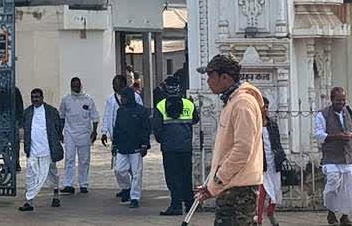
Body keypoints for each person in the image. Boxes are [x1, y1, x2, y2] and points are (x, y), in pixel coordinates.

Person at [193, 54, 264, 226]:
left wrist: (219, 179)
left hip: (239, 188)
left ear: (225, 77)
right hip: (230, 185)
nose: (208, 81)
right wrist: (212, 183)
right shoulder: (232, 102)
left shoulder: (242, 103)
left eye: (211, 76)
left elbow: (242, 150)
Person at [316, 87, 352, 226]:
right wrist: (337, 136)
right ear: (332, 100)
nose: (341, 103)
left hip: (347, 156)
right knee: (332, 184)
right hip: (331, 156)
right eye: (338, 101)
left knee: (349, 188)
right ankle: (330, 212)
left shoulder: (350, 112)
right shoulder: (323, 115)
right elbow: (319, 135)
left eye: (343, 100)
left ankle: (345, 216)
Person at [152, 76, 199, 216]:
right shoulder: (189, 104)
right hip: (185, 148)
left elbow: (156, 128)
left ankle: (176, 205)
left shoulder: (160, 106)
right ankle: (189, 204)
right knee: (186, 176)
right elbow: (195, 120)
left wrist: (163, 141)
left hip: (169, 149)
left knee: (172, 177)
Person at [19, 88, 64, 211]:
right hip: (33, 149)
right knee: (30, 175)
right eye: (33, 97)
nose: (35, 99)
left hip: (47, 150)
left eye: (37, 97)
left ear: (42, 98)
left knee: (52, 173)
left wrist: (57, 140)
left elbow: (58, 126)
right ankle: (29, 202)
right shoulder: (27, 112)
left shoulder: (51, 111)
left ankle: (56, 196)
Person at [101, 74, 143, 200]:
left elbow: (141, 116)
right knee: (119, 169)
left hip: (133, 138)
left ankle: (134, 193)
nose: (114, 87)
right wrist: (104, 132)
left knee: (134, 169)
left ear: (124, 85)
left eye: (117, 84)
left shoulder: (135, 97)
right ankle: (126, 187)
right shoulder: (110, 99)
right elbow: (107, 115)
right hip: (117, 138)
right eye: (113, 84)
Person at [112, 87, 152, 208]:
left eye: (123, 97)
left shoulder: (141, 111)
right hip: (122, 146)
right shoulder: (120, 111)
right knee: (119, 170)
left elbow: (146, 129)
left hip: (136, 147)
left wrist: (145, 145)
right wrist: (114, 144)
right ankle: (126, 187)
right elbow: (117, 129)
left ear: (129, 97)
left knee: (136, 173)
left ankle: (135, 197)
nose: (121, 99)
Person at [58, 77, 99, 195]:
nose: (75, 88)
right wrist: (60, 132)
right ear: (71, 86)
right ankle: (68, 184)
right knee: (69, 159)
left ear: (81, 85)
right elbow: (61, 116)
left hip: (85, 134)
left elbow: (95, 117)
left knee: (84, 160)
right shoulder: (66, 100)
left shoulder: (88, 99)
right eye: (73, 86)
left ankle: (83, 184)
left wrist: (95, 131)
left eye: (77, 85)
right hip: (70, 133)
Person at [257, 97, 286, 226]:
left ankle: (271, 212)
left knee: (275, 189)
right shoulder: (253, 124)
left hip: (273, 161)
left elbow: (277, 142)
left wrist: (281, 156)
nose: (266, 109)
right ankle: (258, 219)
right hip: (260, 162)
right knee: (262, 192)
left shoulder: (272, 124)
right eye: (263, 106)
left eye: (267, 107)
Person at [0, 85, 24, 172]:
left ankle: (15, 163)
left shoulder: (15, 90)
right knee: (3, 144)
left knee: (15, 144)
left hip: (13, 121)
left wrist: (20, 121)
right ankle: (7, 164)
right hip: (2, 121)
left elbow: (20, 106)